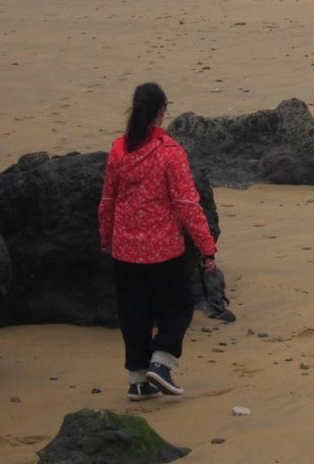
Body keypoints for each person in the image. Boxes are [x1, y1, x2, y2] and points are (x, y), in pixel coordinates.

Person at [98, 82, 217, 401]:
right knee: (178, 306)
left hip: (125, 249)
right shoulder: (169, 152)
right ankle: (162, 363)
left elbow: (107, 200)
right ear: (161, 112)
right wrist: (206, 247)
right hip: (163, 248)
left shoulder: (119, 150)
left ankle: (138, 380)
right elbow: (187, 204)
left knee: (133, 312)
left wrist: (106, 237)